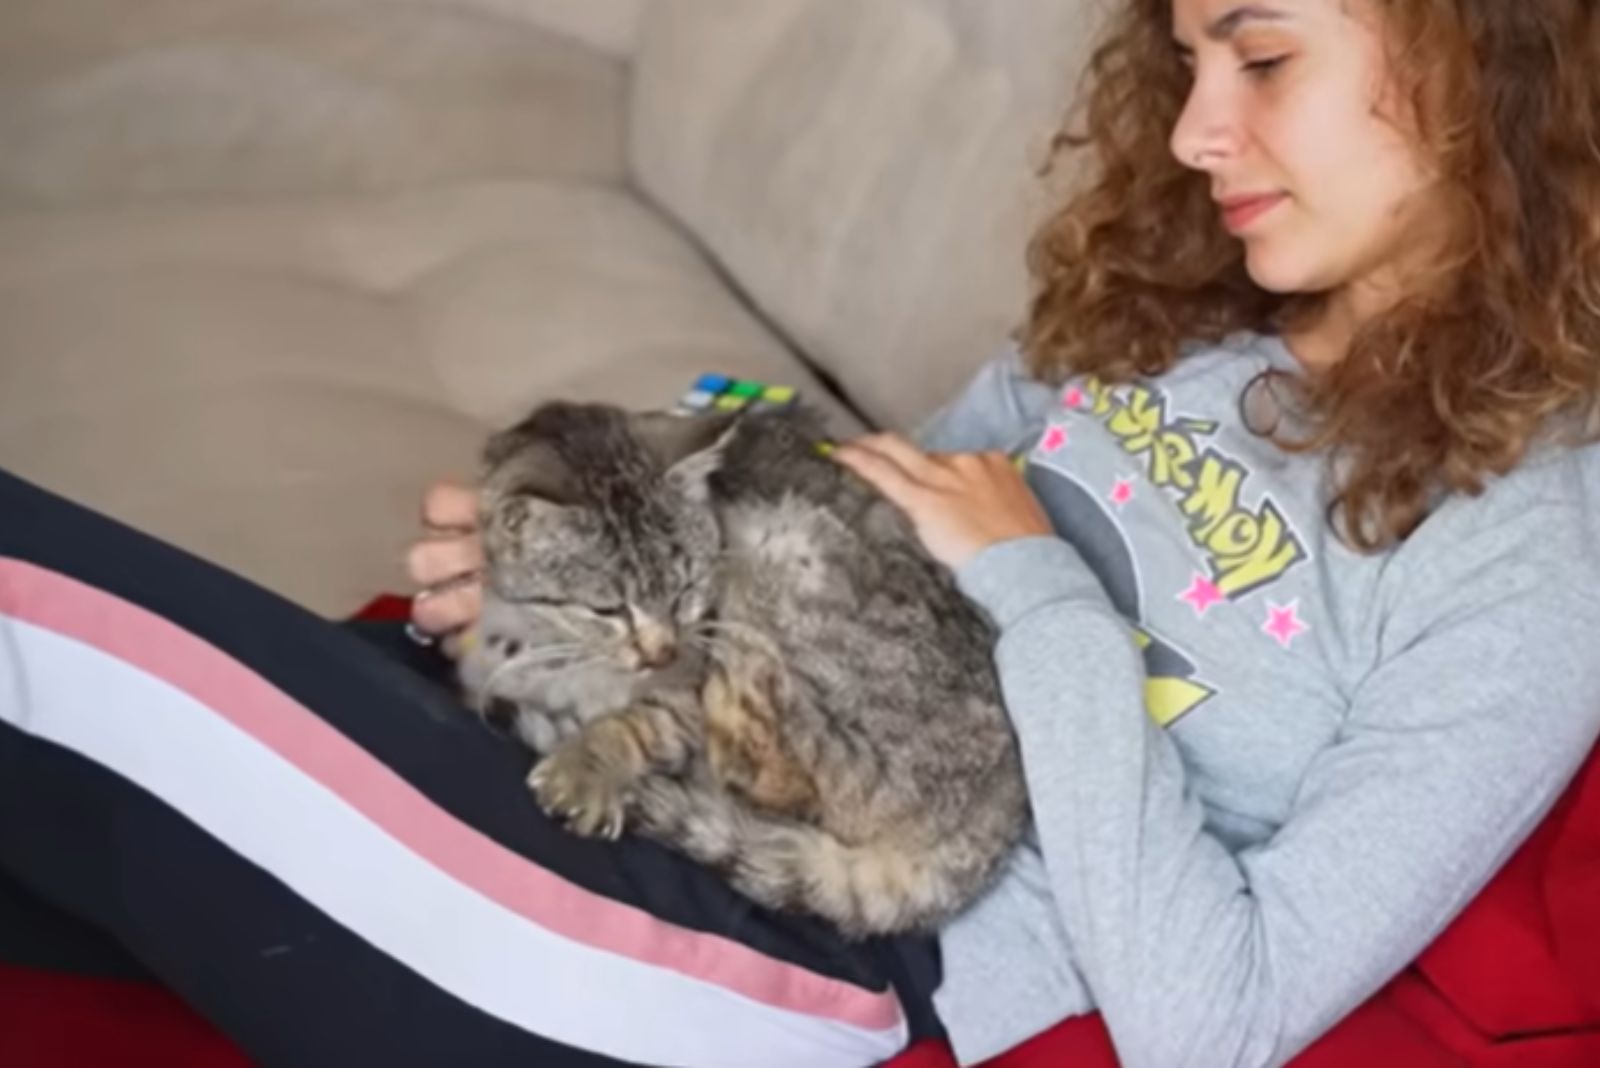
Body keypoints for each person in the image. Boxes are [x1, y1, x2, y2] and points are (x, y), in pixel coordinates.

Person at [3, 1, 1599, 1066]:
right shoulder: (1180, 318)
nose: (1193, 132)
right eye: (1184, 64)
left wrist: (1038, 594)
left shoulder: (1532, 565)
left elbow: (1217, 1020)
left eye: (1259, 59)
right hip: (654, 751)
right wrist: (587, 585)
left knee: (75, 661)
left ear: (1492, 64)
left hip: (817, 957)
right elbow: (863, 510)